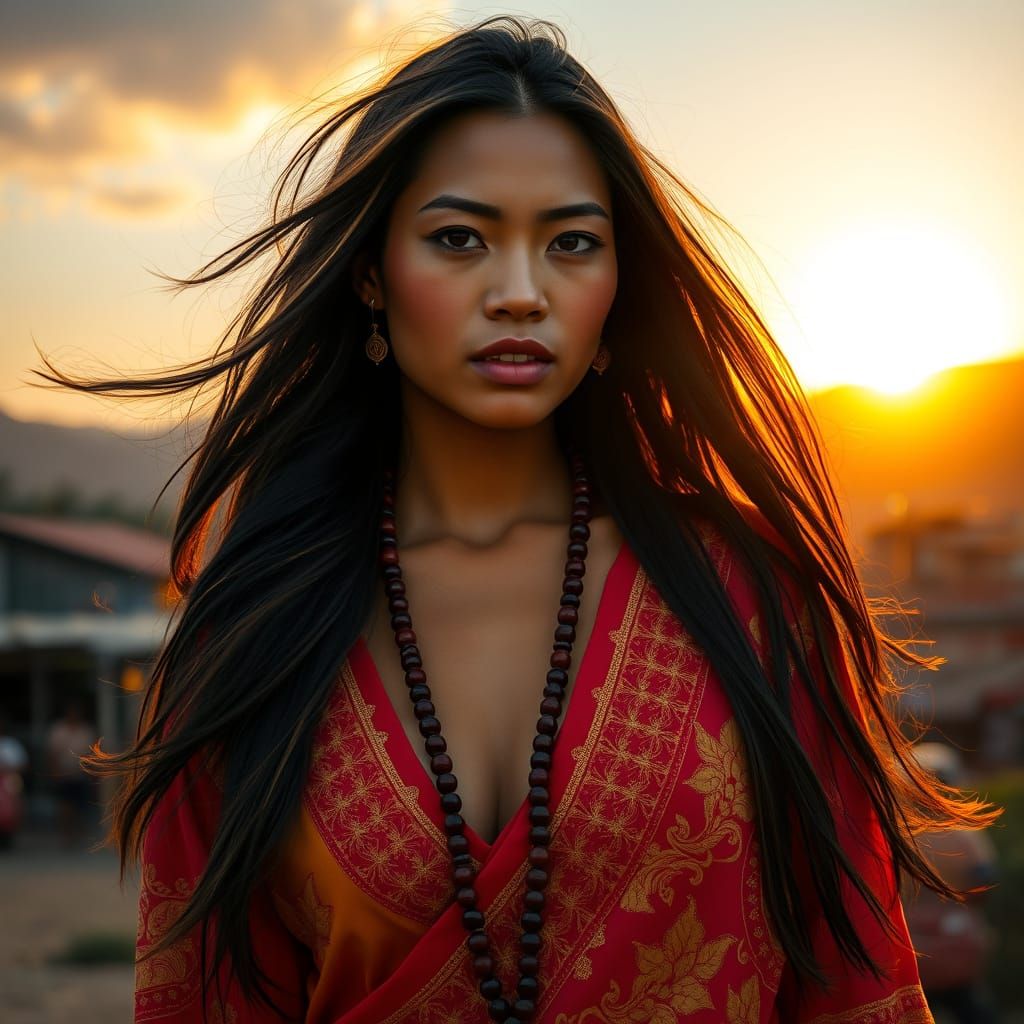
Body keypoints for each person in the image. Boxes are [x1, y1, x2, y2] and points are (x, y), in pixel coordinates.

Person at [32, 15, 997, 1023]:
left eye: (571, 243)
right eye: (460, 238)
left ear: (615, 287)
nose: (522, 293)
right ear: (370, 272)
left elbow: (857, 992)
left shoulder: (753, 601)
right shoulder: (254, 637)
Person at [901, 743, 1000, 1023]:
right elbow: (985, 880)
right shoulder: (962, 833)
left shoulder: (898, 835)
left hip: (911, 939)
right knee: (970, 1006)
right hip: (956, 937)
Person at [46, 698, 97, 848]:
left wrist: (92, 772)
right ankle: (66, 835)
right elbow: (52, 754)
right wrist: (55, 773)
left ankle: (78, 835)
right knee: (65, 807)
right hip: (64, 774)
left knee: (80, 807)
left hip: (81, 774)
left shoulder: (86, 730)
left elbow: (92, 753)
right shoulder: (58, 730)